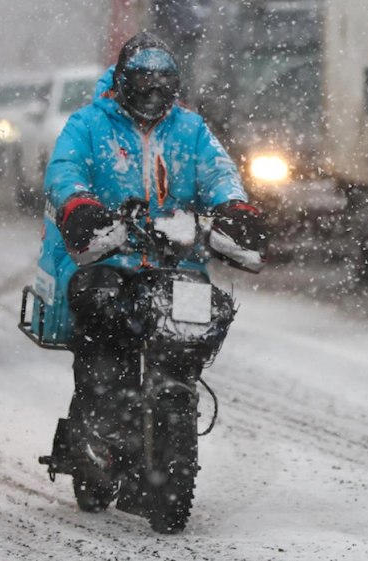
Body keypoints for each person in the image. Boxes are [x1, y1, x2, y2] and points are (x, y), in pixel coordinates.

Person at [35, 31, 267, 475]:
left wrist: (232, 208)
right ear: (123, 81)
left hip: (178, 266)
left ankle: (174, 397)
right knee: (102, 321)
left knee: (197, 322)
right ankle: (99, 428)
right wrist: (81, 207)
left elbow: (221, 172)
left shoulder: (191, 130)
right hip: (107, 261)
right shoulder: (87, 125)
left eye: (165, 84)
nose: (154, 94)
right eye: (144, 83)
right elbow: (65, 171)